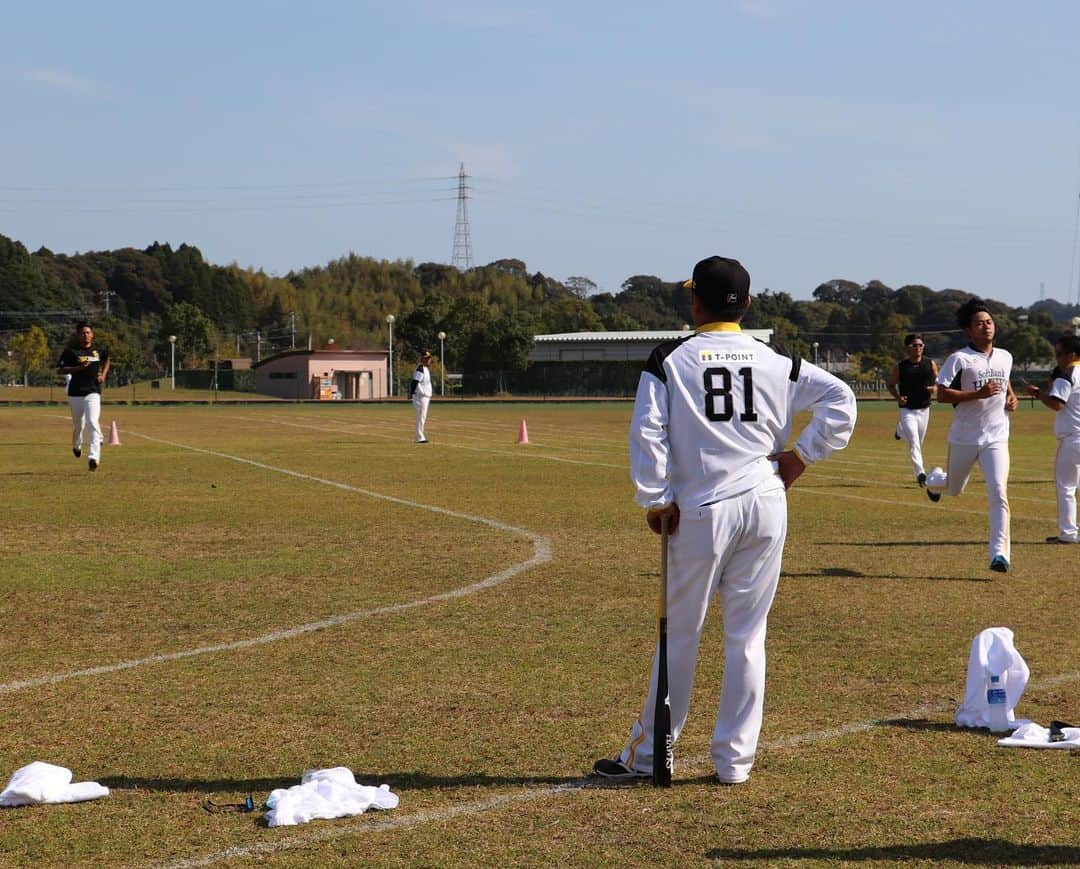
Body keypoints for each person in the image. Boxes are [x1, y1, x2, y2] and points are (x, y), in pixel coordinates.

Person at [592, 255, 856, 785]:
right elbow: (842, 399)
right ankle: (734, 763)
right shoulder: (776, 360)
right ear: (749, 304)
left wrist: (655, 497)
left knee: (682, 635)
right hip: (765, 501)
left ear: (695, 301)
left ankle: (647, 757)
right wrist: (802, 454)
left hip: (702, 509)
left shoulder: (670, 358)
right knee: (747, 637)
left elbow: (647, 432)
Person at [924, 299, 1017, 573]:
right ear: (968, 330)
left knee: (999, 491)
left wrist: (1011, 398)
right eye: (979, 323)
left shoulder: (1005, 356)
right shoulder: (959, 359)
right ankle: (935, 481)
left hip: (997, 437)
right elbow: (941, 394)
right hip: (964, 437)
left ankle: (1000, 554)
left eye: (989, 322)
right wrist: (977, 394)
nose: (986, 326)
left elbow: (1005, 383)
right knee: (954, 489)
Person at [1024, 333, 1080, 544]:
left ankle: (1067, 533)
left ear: (1071, 354)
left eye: (1059, 354)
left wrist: (1037, 393)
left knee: (1065, 486)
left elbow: (1057, 403)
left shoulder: (1068, 375)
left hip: (1072, 437)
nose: (1057, 358)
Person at [57, 322, 110, 472]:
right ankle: (76, 445)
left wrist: (103, 375)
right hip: (75, 393)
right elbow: (60, 370)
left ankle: (94, 458)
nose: (85, 335)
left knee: (92, 422)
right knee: (79, 426)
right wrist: (78, 368)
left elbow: (107, 359)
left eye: (87, 332)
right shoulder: (71, 352)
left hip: (93, 392)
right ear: (77, 335)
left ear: (92, 334)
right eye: (82, 333)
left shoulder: (98, 350)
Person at [887, 334, 938, 487]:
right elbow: (891, 385)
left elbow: (939, 381)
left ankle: (900, 430)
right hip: (907, 410)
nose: (918, 348)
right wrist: (898, 397)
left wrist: (934, 388)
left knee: (918, 443)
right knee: (914, 443)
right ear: (908, 348)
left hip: (924, 409)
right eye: (914, 345)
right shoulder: (901, 367)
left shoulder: (930, 364)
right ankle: (920, 474)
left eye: (921, 345)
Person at [409, 349, 434, 443]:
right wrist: (413, 393)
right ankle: (419, 437)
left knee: (422, 417)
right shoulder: (420, 368)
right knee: (421, 417)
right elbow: (415, 382)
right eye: (426, 358)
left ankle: (418, 436)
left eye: (429, 358)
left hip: (425, 396)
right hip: (421, 396)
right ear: (422, 359)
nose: (428, 360)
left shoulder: (426, 369)